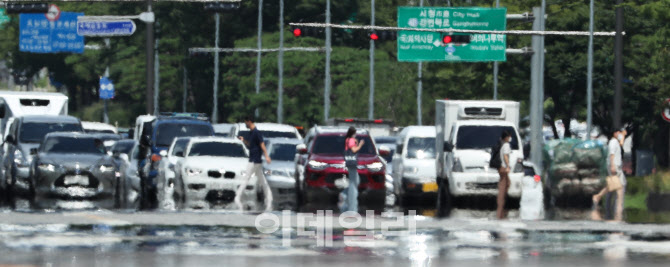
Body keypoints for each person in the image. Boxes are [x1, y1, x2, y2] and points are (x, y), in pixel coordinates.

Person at [234, 117, 273, 212]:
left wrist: (267, 156)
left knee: (246, 178)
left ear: (249, 121)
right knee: (262, 180)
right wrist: (244, 140)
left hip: (255, 160)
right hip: (254, 160)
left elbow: (262, 144)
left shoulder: (256, 132)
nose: (245, 124)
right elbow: (251, 145)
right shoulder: (251, 133)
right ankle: (269, 198)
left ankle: (237, 197)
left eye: (246, 122)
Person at [591, 128, 627, 221]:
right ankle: (599, 197)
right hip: (615, 167)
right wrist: (612, 166)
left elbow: (621, 144)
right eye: (619, 133)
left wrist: (623, 136)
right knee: (614, 185)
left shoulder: (616, 142)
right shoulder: (612, 142)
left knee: (617, 186)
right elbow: (611, 155)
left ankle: (617, 210)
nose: (620, 134)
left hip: (617, 166)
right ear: (615, 133)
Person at [341, 127, 364, 213]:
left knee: (356, 181)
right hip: (352, 163)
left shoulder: (349, 139)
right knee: (353, 184)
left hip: (350, 163)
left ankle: (345, 195)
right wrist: (360, 144)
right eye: (355, 133)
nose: (356, 135)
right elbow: (354, 150)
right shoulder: (350, 140)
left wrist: (356, 142)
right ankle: (352, 207)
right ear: (352, 133)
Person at [497, 131, 512, 219]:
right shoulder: (506, 145)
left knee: (507, 184)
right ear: (506, 137)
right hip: (503, 167)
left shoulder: (501, 143)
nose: (510, 138)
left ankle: (502, 209)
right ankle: (500, 211)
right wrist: (508, 166)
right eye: (509, 136)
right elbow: (505, 156)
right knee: (503, 188)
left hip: (501, 168)